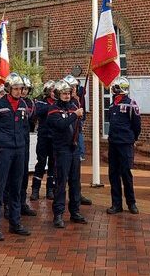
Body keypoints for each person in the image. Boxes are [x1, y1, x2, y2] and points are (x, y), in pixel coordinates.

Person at [0, 72, 32, 241]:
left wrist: (23, 147)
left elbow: (26, 127)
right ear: (8, 89)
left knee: (16, 187)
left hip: (19, 150)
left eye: (21, 89)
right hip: (3, 150)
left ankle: (15, 223)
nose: (19, 91)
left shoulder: (23, 106)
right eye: (16, 88)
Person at [47, 80, 87, 227]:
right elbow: (61, 125)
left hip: (74, 148)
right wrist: (75, 115)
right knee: (61, 182)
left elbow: (80, 121)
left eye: (69, 93)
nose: (67, 96)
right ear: (58, 94)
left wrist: (79, 115)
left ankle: (75, 212)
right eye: (64, 93)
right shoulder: (53, 109)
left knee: (75, 182)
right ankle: (58, 214)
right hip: (62, 149)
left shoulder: (74, 105)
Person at [106, 76, 141, 214]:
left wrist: (132, 138)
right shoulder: (111, 104)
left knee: (126, 173)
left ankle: (131, 203)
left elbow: (136, 124)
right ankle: (116, 204)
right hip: (113, 143)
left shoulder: (131, 104)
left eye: (115, 87)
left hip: (125, 144)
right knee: (113, 174)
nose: (112, 89)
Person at [64, 75, 93, 206]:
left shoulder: (77, 101)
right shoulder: (63, 103)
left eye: (75, 87)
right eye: (72, 87)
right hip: (65, 140)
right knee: (64, 170)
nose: (75, 89)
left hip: (77, 134)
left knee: (76, 168)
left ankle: (77, 194)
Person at [31, 80, 57, 200]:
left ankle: (50, 189)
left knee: (53, 163)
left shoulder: (59, 102)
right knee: (41, 162)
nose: (54, 93)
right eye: (52, 91)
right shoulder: (41, 101)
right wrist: (52, 107)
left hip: (54, 137)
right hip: (43, 136)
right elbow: (38, 111)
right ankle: (35, 189)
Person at [18, 76, 38, 217]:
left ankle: (22, 203)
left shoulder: (29, 103)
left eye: (25, 89)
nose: (23, 91)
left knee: (24, 174)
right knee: (12, 175)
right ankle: (9, 204)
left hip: (24, 141)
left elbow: (31, 116)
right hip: (11, 142)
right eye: (21, 88)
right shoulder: (11, 102)